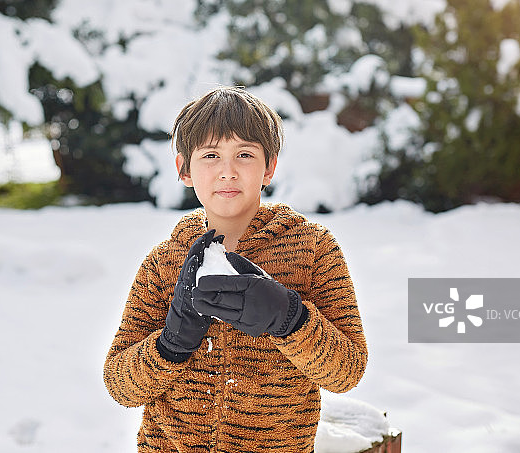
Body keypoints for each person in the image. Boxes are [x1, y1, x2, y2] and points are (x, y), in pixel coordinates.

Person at [104, 86, 367, 452]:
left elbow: (347, 371)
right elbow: (120, 385)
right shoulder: (164, 263)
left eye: (244, 154)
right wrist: (170, 345)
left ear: (269, 167)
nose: (227, 172)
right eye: (211, 155)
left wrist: (291, 319)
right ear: (184, 170)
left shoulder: (313, 251)